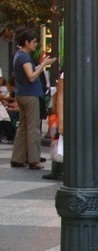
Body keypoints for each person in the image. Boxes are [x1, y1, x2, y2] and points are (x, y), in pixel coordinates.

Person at [10, 29, 55, 169]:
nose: (36, 44)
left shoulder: (19, 55)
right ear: (26, 42)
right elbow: (31, 76)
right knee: (33, 128)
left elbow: (28, 72)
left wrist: (41, 64)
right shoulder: (24, 57)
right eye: (34, 42)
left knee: (23, 127)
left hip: (22, 93)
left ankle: (18, 158)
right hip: (30, 95)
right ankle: (34, 160)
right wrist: (42, 65)